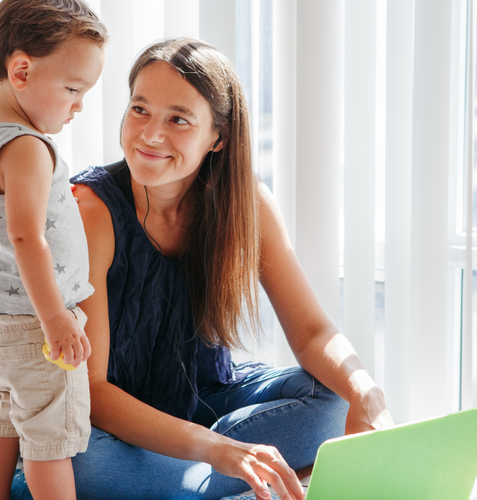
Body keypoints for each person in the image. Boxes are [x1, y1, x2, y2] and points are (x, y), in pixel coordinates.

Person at [70, 38, 394, 500]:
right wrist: (218, 449)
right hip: (114, 421)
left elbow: (312, 332)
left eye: (178, 119)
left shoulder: (246, 201)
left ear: (218, 137)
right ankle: (232, 466)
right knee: (88, 466)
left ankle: (194, 475)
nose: (150, 134)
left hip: (207, 396)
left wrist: (366, 391)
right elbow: (93, 391)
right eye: (140, 109)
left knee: (337, 399)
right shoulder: (90, 211)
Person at [0, 1, 106, 499]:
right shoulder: (27, 147)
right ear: (21, 71)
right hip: (33, 326)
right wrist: (55, 318)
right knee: (48, 440)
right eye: (73, 89)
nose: (78, 106)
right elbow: (25, 236)